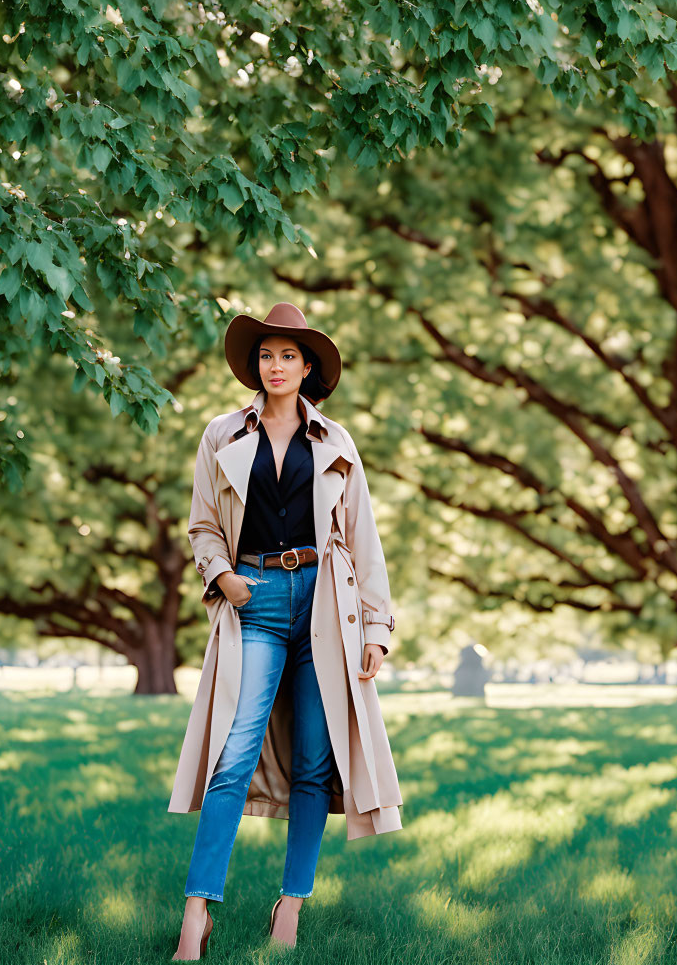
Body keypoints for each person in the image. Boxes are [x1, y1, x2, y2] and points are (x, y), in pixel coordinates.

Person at [171, 302, 402, 958]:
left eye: (288, 356)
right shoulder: (221, 434)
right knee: (233, 750)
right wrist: (221, 575)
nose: (275, 366)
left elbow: (364, 538)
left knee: (312, 760)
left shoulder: (334, 442)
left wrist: (377, 628)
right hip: (257, 600)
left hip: (327, 604)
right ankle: (197, 912)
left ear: (308, 368)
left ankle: (290, 907)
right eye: (266, 355)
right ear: (255, 364)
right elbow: (201, 525)